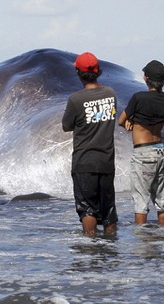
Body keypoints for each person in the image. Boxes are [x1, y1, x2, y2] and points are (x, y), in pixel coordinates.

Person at [62, 52, 118, 235]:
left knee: (87, 209)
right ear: (98, 71)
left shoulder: (76, 99)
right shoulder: (110, 94)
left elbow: (66, 126)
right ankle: (110, 251)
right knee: (108, 210)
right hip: (106, 161)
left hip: (84, 162)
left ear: (78, 73)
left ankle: (90, 250)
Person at [118, 60, 164, 226]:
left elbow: (121, 120)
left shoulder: (138, 98)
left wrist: (131, 123)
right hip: (159, 150)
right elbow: (153, 119)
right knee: (161, 201)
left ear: (145, 79)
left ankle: (142, 241)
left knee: (141, 202)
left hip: (143, 153)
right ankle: (162, 237)